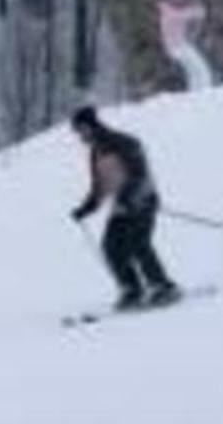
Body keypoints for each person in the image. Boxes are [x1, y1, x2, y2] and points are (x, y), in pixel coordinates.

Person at [69, 106, 180, 310]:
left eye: (79, 130)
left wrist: (128, 195)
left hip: (142, 200)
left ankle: (163, 287)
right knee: (111, 247)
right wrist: (85, 209)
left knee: (138, 243)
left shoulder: (123, 142)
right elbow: (99, 187)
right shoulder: (96, 153)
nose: (78, 136)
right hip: (121, 207)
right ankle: (131, 290)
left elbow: (139, 173)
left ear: (89, 126)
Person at [157, 0, 215, 90]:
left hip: (178, 46)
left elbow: (187, 13)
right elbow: (184, 15)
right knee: (201, 69)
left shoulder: (170, 9)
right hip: (177, 47)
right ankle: (205, 92)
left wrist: (198, 8)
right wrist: (200, 10)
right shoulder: (169, 12)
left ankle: (196, 92)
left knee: (194, 71)